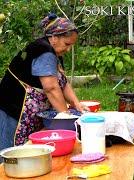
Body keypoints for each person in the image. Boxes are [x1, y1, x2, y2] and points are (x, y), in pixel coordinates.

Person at [0, 13, 87, 154]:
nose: (69, 49)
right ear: (54, 38)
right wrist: (65, 117)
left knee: (28, 151)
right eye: (67, 44)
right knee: (10, 154)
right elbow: (51, 88)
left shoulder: (54, 52)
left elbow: (63, 83)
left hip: (28, 114)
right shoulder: (44, 52)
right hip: (11, 110)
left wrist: (77, 104)